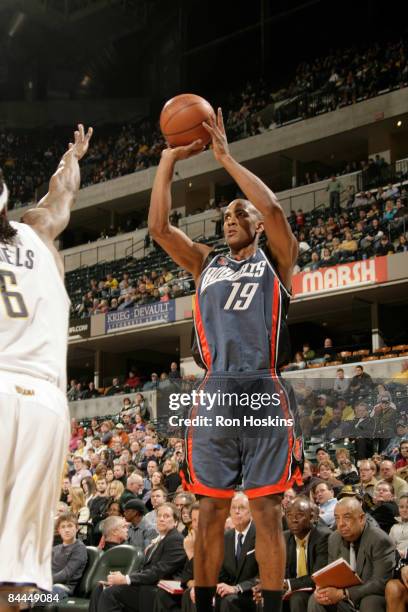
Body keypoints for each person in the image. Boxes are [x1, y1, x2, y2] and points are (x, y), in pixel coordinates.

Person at [148, 107, 302, 612]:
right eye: (226, 216)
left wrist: (227, 159)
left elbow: (275, 210)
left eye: (241, 214)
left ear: (257, 224)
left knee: (266, 509)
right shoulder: (206, 263)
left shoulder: (276, 257)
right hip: (215, 389)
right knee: (208, 511)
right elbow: (159, 227)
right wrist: (169, 162)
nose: (231, 220)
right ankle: (205, 605)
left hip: (262, 387)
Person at [0, 124, 92, 603]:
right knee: (20, 567)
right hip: (46, 407)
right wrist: (71, 156)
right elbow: (62, 193)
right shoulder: (38, 231)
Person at [89, 503, 186, 612]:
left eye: (166, 516)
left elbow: (160, 571)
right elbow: (145, 570)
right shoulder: (160, 540)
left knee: (110, 593)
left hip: (160, 591)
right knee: (100, 588)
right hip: (147, 586)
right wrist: (123, 578)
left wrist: (126, 579)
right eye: (159, 516)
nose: (161, 519)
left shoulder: (176, 539)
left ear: (176, 522)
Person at [308, 497, 395, 612]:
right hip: (345, 598)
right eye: (337, 518)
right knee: (316, 600)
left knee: (370, 602)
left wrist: (344, 593)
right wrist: (323, 589)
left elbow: (380, 582)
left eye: (347, 517)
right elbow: (332, 575)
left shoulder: (379, 540)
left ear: (362, 519)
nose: (341, 524)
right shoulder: (334, 538)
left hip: (370, 595)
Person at [283, 497, 331, 612]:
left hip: (318, 589)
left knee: (297, 598)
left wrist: (287, 584)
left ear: (312, 517)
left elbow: (318, 576)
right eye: (289, 515)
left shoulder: (323, 537)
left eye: (299, 515)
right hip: (293, 588)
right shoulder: (284, 538)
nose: (294, 520)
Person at [51, 512, 88, 600]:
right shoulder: (55, 549)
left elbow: (66, 574)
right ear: (58, 530)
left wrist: (45, 580)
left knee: (36, 598)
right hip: (48, 584)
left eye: (70, 526)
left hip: (63, 588)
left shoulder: (79, 548)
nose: (66, 530)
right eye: (63, 527)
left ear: (77, 528)